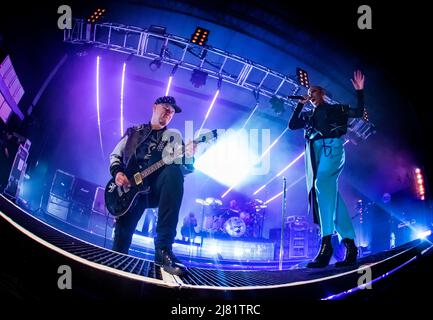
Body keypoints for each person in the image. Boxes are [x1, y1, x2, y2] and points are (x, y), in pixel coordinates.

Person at [109, 96, 196, 276]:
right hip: (129, 191)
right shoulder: (133, 132)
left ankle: (163, 249)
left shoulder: (173, 138)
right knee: (121, 243)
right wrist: (118, 173)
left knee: (173, 172)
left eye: (172, 111)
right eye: (165, 108)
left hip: (154, 189)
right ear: (154, 107)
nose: (169, 113)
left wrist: (189, 156)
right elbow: (115, 156)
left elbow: (184, 169)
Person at [288, 70, 366, 268]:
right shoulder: (308, 115)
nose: (310, 94)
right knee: (331, 198)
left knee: (321, 183)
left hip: (332, 148)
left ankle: (326, 245)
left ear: (322, 93)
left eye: (314, 91)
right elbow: (292, 125)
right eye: (309, 92)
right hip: (314, 152)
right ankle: (350, 245)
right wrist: (300, 104)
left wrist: (359, 91)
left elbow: (358, 112)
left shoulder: (334, 109)